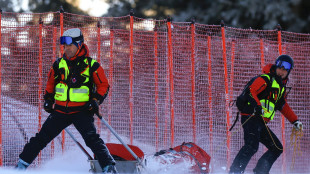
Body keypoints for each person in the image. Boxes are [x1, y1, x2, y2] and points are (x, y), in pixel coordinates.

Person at [16, 28, 117, 173]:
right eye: (64, 45)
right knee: (40, 139)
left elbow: (103, 85)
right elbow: (51, 83)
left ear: (79, 44)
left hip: (82, 111)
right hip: (60, 111)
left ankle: (109, 168)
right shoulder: (58, 64)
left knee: (92, 140)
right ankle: (20, 167)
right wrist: (48, 99)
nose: (66, 48)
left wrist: (96, 100)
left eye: (70, 45)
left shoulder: (91, 65)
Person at [229, 55, 303, 174]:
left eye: (285, 70)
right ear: (276, 66)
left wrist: (295, 121)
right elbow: (251, 91)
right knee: (252, 146)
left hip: (260, 122)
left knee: (276, 148)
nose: (282, 71)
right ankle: (235, 172)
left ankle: (260, 171)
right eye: (280, 68)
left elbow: (282, 105)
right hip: (251, 116)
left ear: (288, 72)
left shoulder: (280, 88)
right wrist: (257, 106)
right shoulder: (265, 79)